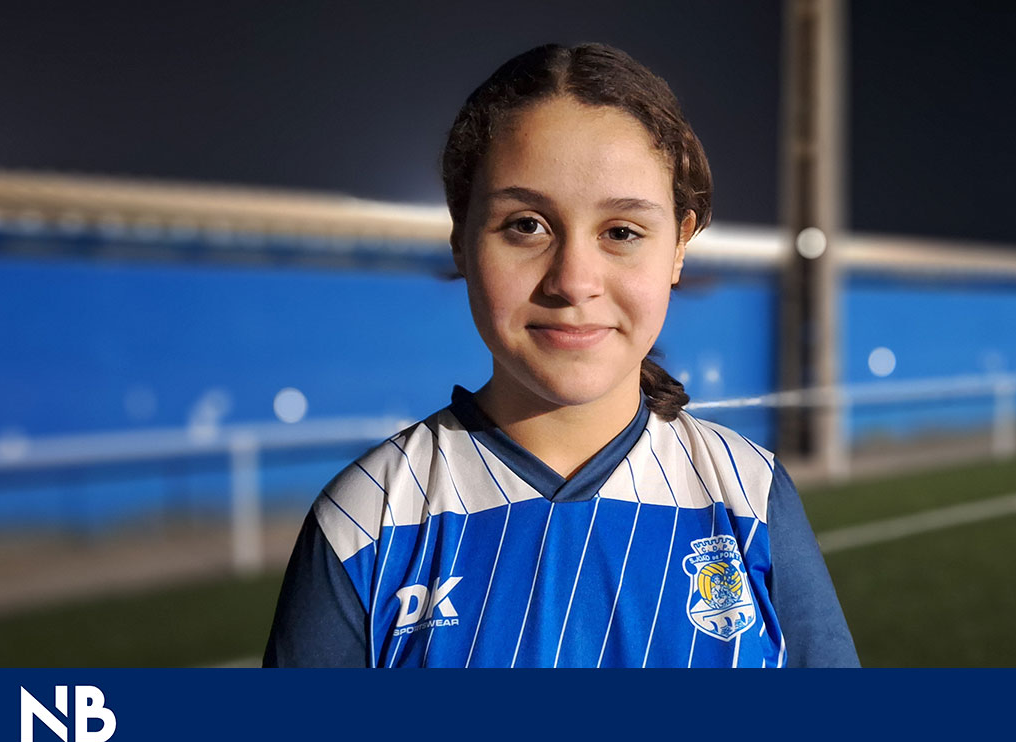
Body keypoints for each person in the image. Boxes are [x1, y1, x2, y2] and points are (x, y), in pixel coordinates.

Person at [263, 42, 858, 668]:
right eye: (526, 225)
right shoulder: (367, 519)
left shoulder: (748, 494)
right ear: (461, 240)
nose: (573, 281)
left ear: (679, 246)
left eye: (622, 232)